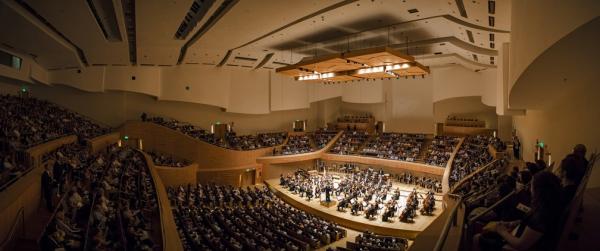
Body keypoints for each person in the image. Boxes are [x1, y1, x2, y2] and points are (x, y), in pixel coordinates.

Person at [474, 171, 562, 251]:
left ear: (538, 190)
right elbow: (529, 226)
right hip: (517, 234)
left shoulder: (541, 215)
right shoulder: (547, 206)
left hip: (513, 246)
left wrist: (502, 231)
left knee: (477, 238)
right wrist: (514, 223)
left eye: (531, 185)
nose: (529, 188)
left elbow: (520, 245)